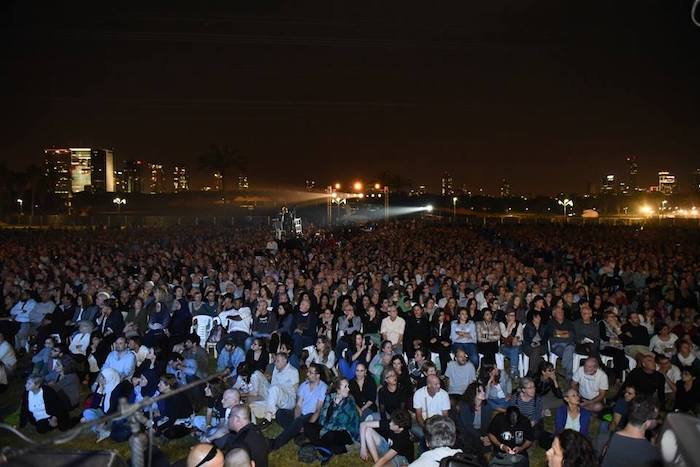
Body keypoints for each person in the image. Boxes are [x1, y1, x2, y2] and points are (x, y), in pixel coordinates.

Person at [268, 362, 327, 450]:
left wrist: (307, 426)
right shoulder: (304, 385)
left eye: (310, 372)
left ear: (318, 375)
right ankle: (298, 432)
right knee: (280, 413)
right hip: (301, 415)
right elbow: (298, 406)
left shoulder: (323, 387)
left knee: (298, 422)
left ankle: (275, 444)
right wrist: (297, 421)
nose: (307, 374)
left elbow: (318, 409)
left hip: (312, 416)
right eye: (308, 371)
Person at [601, 396, 661, 467]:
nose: (658, 420)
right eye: (657, 417)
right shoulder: (653, 456)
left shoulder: (601, 439)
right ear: (647, 423)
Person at [305, 378, 360, 454]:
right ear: (338, 389)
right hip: (328, 427)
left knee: (329, 435)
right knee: (307, 426)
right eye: (345, 387)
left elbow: (342, 425)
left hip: (345, 432)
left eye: (348, 386)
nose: (348, 389)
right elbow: (322, 417)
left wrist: (323, 430)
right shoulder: (329, 397)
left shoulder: (349, 402)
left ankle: (319, 445)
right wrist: (323, 428)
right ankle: (328, 449)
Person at [82, 368, 134, 441]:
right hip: (102, 411)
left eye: (103, 377)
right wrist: (100, 390)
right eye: (101, 376)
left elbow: (113, 409)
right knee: (87, 413)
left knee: (87, 416)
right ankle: (100, 429)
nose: (100, 379)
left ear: (110, 377)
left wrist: (105, 420)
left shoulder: (117, 390)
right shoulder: (102, 386)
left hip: (112, 415)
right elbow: (94, 405)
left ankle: (98, 427)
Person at [250, 352, 298, 423]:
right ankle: (253, 422)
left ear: (285, 361)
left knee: (275, 389)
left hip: (287, 399)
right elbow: (272, 385)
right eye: (275, 361)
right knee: (256, 374)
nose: (275, 363)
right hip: (273, 394)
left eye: (277, 361)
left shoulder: (293, 371)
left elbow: (295, 391)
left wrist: (279, 391)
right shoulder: (276, 368)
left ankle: (268, 417)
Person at [454, 382, 493, 458]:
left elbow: (487, 425)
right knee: (472, 443)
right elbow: (467, 427)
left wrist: (486, 437)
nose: (483, 393)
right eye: (480, 391)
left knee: (486, 446)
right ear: (473, 394)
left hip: (481, 433)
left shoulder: (487, 406)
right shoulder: (464, 406)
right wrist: (481, 438)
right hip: (466, 434)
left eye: (483, 390)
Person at [154, 374, 194, 439]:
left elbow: (172, 419)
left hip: (185, 420)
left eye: (160, 384)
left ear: (168, 386)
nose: (158, 385)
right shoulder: (168, 394)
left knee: (168, 433)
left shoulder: (175, 399)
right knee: (155, 421)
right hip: (173, 416)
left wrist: (158, 429)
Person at [413, 374, 451, 441]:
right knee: (423, 435)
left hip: (439, 423)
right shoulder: (418, 394)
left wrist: (439, 427)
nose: (439, 386)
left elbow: (445, 415)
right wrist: (426, 428)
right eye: (436, 384)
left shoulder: (444, 394)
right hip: (424, 423)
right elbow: (418, 415)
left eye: (439, 384)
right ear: (429, 385)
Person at [546, 305, 576, 379]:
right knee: (570, 351)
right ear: (554, 314)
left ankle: (564, 368)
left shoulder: (568, 322)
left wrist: (559, 334)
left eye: (562, 311)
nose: (561, 313)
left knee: (569, 349)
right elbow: (554, 333)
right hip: (557, 345)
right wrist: (565, 333)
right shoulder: (550, 322)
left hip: (569, 344)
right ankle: (569, 376)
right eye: (558, 312)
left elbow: (571, 335)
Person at [499, 309, 524, 380]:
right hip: (504, 346)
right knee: (514, 352)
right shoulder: (502, 323)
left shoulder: (519, 324)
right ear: (506, 316)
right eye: (511, 315)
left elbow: (519, 335)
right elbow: (504, 335)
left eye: (514, 315)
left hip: (516, 346)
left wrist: (516, 338)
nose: (513, 317)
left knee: (514, 350)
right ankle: (515, 372)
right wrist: (509, 326)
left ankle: (513, 371)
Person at [522, 311, 548, 376]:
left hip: (541, 346)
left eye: (540, 317)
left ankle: (530, 372)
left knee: (536, 349)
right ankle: (537, 367)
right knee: (536, 353)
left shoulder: (543, 326)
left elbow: (545, 338)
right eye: (538, 317)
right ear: (534, 317)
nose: (539, 318)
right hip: (529, 346)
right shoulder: (528, 326)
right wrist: (531, 343)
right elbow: (525, 337)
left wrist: (540, 343)